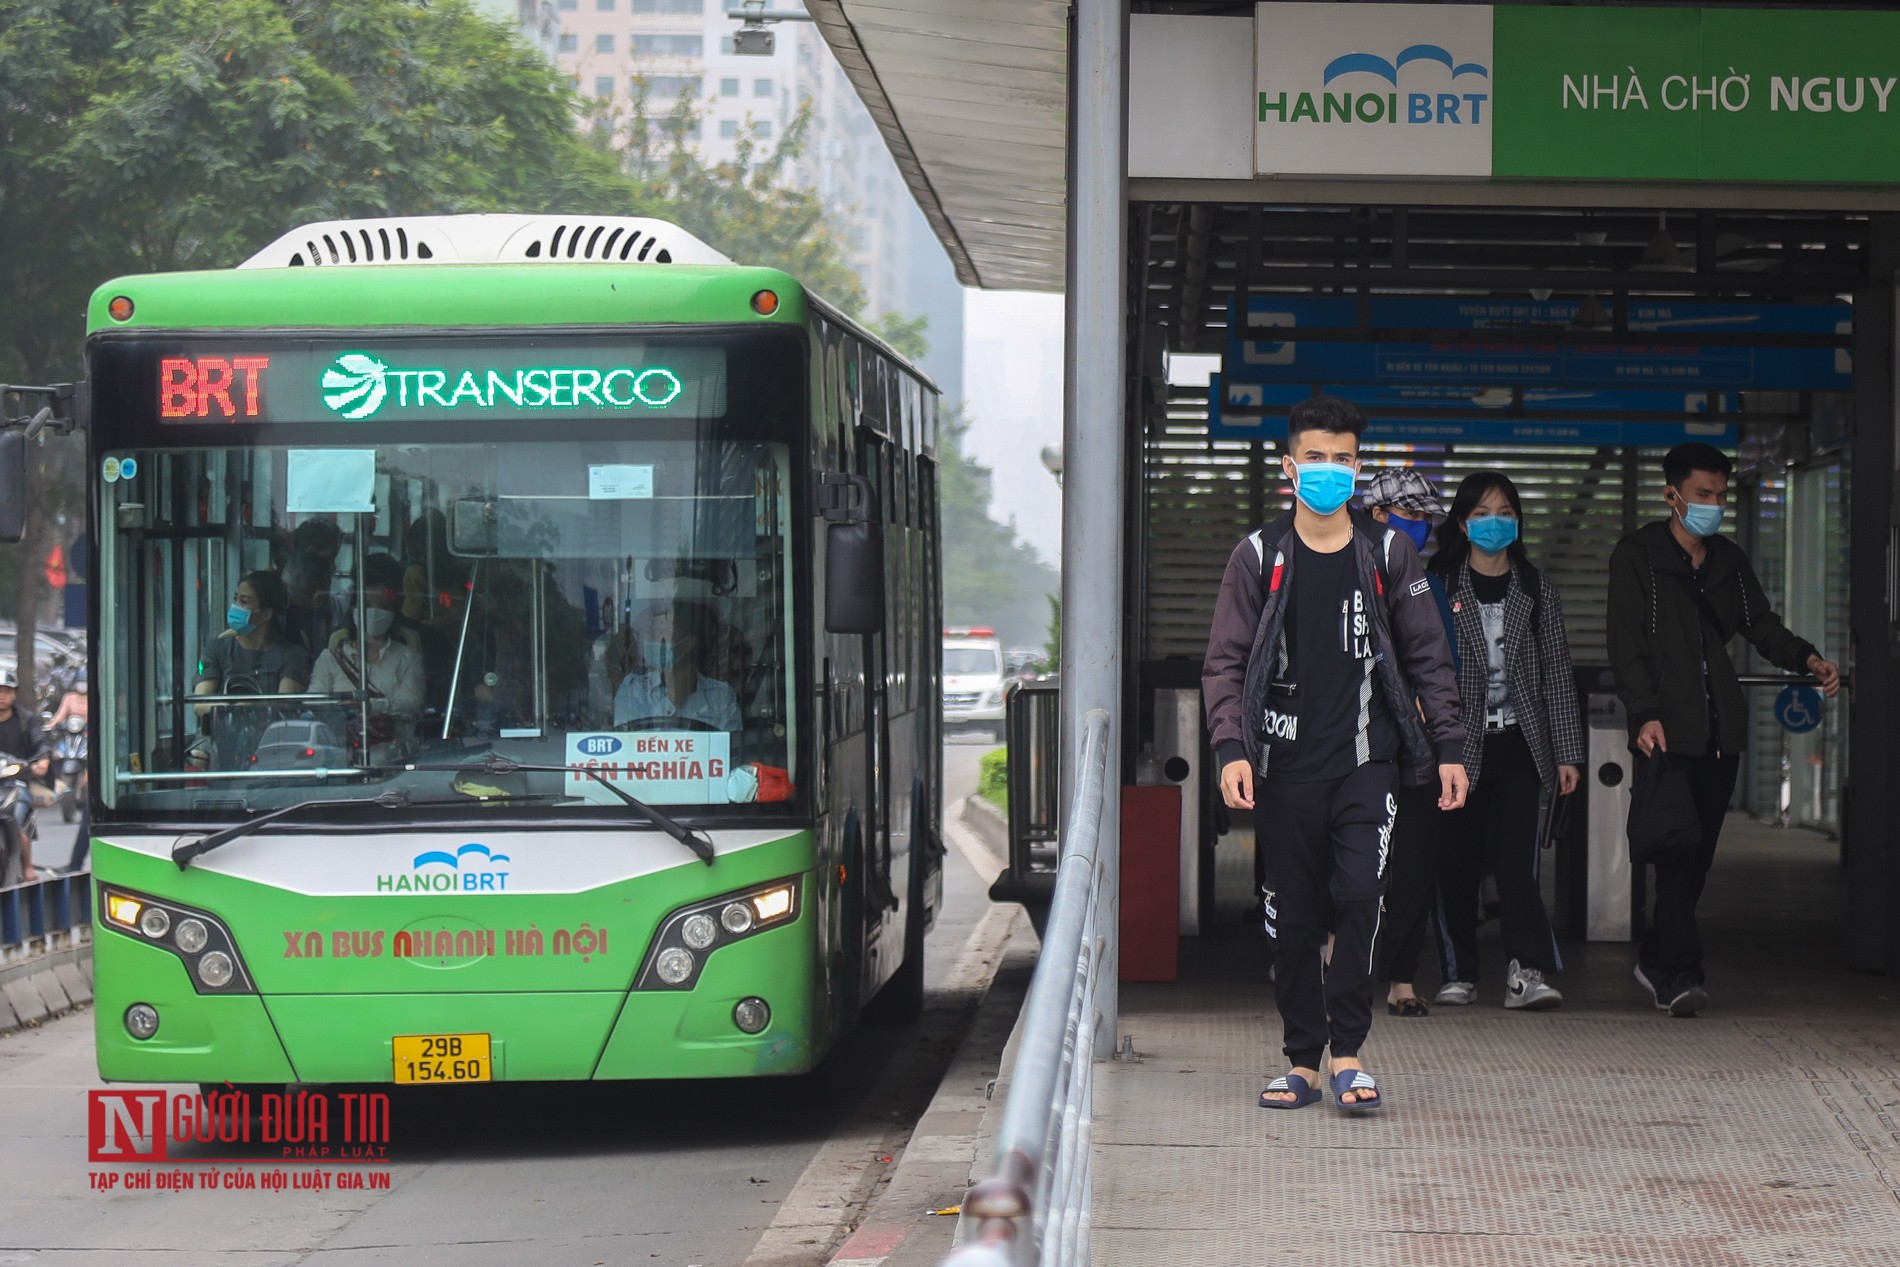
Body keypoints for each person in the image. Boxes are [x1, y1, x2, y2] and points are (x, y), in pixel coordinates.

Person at [1203, 397, 1467, 1113]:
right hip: (1283, 772)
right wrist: (1231, 746)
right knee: (1292, 920)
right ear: (1289, 467)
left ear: (1358, 469)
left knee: (1357, 895)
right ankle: (1301, 1060)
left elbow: (1428, 656)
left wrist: (1448, 745)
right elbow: (1224, 661)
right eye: (1314, 458)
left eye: (1342, 459)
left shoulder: (1387, 552)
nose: (1329, 470)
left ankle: (1348, 1053)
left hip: (1366, 764)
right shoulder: (1259, 555)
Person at [1607, 442, 1840, 1018]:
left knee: (1699, 858)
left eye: (1721, 495)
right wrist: (1644, 712)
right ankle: (1681, 976)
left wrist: (1807, 659)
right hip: (1666, 732)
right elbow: (1626, 643)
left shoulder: (1728, 561)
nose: (1713, 505)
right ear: (1673, 495)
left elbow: (1760, 625)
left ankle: (1655, 957)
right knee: (1677, 855)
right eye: (1703, 495)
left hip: (1721, 733)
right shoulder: (1637, 556)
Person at [1428, 472, 1585, 1012]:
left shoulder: (1537, 590)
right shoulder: (1438, 587)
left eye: (1506, 513)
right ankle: (1459, 973)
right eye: (1484, 513)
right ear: (1462, 523)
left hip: (1521, 745)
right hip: (1457, 749)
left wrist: (1567, 753)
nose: (1496, 523)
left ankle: (1526, 973)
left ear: (1518, 522)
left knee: (1518, 866)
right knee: (1457, 863)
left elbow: (1558, 677)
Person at [1360, 466, 1452, 1019]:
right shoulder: (1341, 569)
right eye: (1409, 514)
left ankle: (1400, 977)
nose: (1419, 526)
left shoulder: (1429, 585)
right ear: (1377, 514)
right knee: (1349, 858)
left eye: (1424, 517)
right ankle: (1335, 948)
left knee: (1414, 862)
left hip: (1414, 746)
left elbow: (1445, 664)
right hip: (1353, 741)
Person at [308, 558, 425, 763]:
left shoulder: (408, 658)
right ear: (353, 609)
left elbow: (409, 703)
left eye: (382, 606)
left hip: (393, 754)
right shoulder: (330, 659)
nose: (373, 613)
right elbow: (315, 701)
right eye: (366, 605)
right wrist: (344, 712)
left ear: (393, 611)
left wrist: (371, 706)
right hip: (340, 753)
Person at [192, 571, 311, 768]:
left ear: (266, 614)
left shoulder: (291, 654)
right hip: (220, 735)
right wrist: (235, 710)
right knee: (197, 757)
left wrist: (250, 710)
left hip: (271, 737)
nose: (235, 607)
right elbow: (200, 704)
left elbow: (284, 703)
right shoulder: (217, 648)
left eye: (244, 601)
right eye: (235, 599)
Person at [613, 599, 742, 732]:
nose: (653, 641)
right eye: (652, 633)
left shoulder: (721, 696)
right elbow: (628, 744)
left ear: (687, 644)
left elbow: (729, 748)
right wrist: (671, 700)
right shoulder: (633, 690)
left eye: (663, 635)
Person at [0, 668, 51, 877]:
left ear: (14, 693)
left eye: (6, 691)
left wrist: (43, 760)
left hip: (15, 781)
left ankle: (28, 867)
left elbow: (41, 743)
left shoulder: (27, 720)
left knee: (16, 817)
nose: (1, 696)